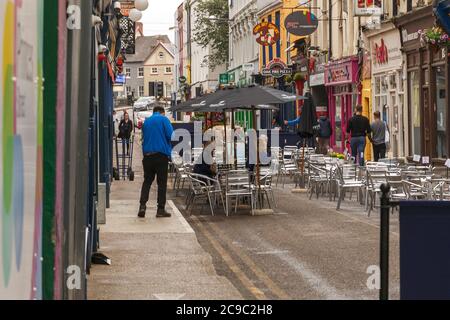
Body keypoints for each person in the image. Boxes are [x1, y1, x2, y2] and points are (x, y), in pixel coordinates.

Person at [138, 106, 174, 218]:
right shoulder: (164, 120)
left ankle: (142, 206)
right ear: (162, 112)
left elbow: (143, 137)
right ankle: (160, 209)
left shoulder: (146, 122)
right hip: (161, 156)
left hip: (147, 156)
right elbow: (171, 135)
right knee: (161, 183)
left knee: (147, 181)